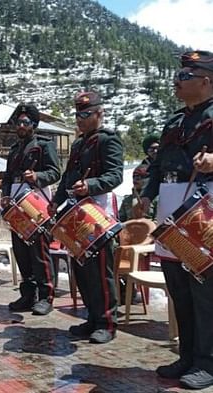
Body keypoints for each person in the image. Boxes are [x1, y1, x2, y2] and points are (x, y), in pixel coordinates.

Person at [136, 50, 213, 390]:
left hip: (204, 211)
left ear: (206, 80)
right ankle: (187, 354)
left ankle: (207, 361)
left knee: (204, 291)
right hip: (170, 208)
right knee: (178, 288)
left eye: (185, 76)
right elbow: (157, 167)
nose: (176, 81)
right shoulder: (174, 122)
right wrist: (146, 195)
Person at [52, 91, 123, 344]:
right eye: (77, 114)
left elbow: (116, 176)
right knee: (81, 269)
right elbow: (68, 177)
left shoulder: (108, 141)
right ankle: (92, 318)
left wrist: (91, 184)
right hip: (76, 210)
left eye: (85, 114)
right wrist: (55, 201)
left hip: (97, 210)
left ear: (99, 113)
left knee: (100, 270)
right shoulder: (78, 144)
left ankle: (107, 321)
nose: (80, 119)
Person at [1, 104, 60, 315]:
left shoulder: (44, 146)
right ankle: (28, 294)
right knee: (21, 251)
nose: (21, 126)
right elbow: (7, 176)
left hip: (35, 200)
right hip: (16, 201)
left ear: (34, 125)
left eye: (25, 122)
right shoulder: (15, 149)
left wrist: (38, 177)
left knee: (39, 252)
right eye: (19, 122)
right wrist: (5, 195)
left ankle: (46, 296)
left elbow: (55, 172)